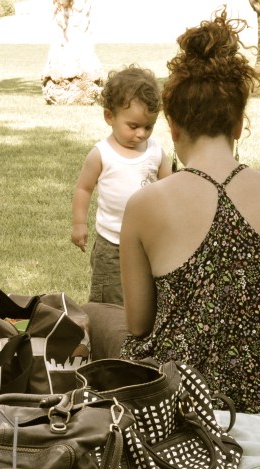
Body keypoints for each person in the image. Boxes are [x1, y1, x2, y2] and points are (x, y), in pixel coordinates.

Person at [119, 10, 260, 414]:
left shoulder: (144, 204)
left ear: (172, 125)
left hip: (183, 398)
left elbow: (138, 325)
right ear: (238, 124)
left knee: (101, 319)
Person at [71, 65, 172, 305]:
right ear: (110, 117)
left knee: (147, 297)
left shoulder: (155, 151)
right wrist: (79, 224)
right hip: (112, 244)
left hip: (149, 242)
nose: (141, 134)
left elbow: (170, 188)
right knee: (110, 298)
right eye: (133, 126)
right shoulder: (101, 154)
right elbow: (84, 188)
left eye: (148, 127)